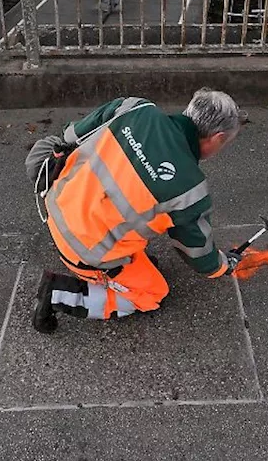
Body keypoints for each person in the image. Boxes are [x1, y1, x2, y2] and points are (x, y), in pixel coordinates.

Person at [24, 88, 243, 334]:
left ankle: (127, 265)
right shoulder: (191, 190)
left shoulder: (134, 107)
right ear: (217, 137)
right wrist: (223, 265)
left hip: (56, 204)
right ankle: (60, 295)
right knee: (153, 293)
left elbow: (72, 133)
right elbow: (199, 255)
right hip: (83, 249)